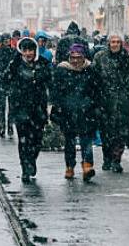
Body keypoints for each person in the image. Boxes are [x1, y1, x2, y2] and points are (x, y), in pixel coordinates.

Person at [4, 37, 52, 182]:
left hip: (38, 109)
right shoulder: (15, 64)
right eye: (25, 50)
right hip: (21, 109)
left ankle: (32, 160)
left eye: (30, 50)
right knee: (24, 141)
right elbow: (5, 80)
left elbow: (50, 82)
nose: (28, 53)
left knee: (37, 140)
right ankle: (25, 167)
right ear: (21, 51)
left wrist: (52, 101)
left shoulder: (43, 63)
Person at [52, 44, 99, 181]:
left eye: (79, 57)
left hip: (87, 112)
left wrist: (94, 106)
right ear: (69, 57)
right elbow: (56, 91)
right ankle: (70, 167)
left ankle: (87, 165)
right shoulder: (62, 70)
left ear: (84, 57)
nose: (76, 61)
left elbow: (96, 90)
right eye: (73, 57)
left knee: (86, 141)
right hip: (68, 112)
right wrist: (58, 107)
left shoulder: (90, 70)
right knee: (70, 141)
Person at [91, 34, 129, 173]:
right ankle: (107, 158)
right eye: (112, 42)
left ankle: (116, 159)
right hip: (105, 101)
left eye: (117, 42)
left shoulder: (125, 58)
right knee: (106, 132)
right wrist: (97, 97)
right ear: (108, 43)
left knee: (120, 132)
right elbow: (94, 78)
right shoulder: (100, 57)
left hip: (121, 102)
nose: (115, 44)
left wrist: (128, 96)